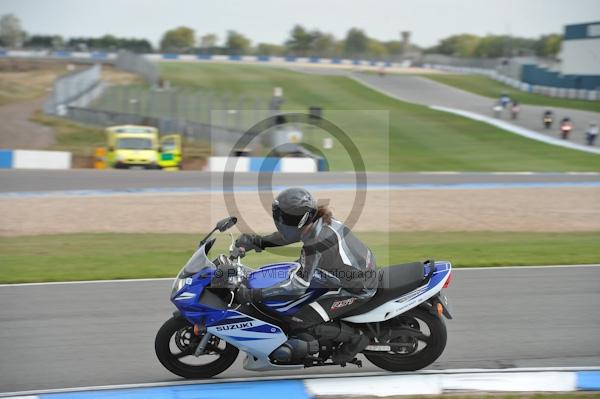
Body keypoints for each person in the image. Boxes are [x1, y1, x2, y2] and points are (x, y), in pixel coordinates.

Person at [234, 187, 377, 363]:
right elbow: (291, 235)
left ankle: (357, 338)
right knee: (288, 272)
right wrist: (259, 241)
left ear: (297, 219)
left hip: (356, 290)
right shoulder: (320, 222)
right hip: (348, 272)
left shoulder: (315, 244)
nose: (279, 220)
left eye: (283, 217)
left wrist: (255, 294)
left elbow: (298, 286)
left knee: (300, 320)